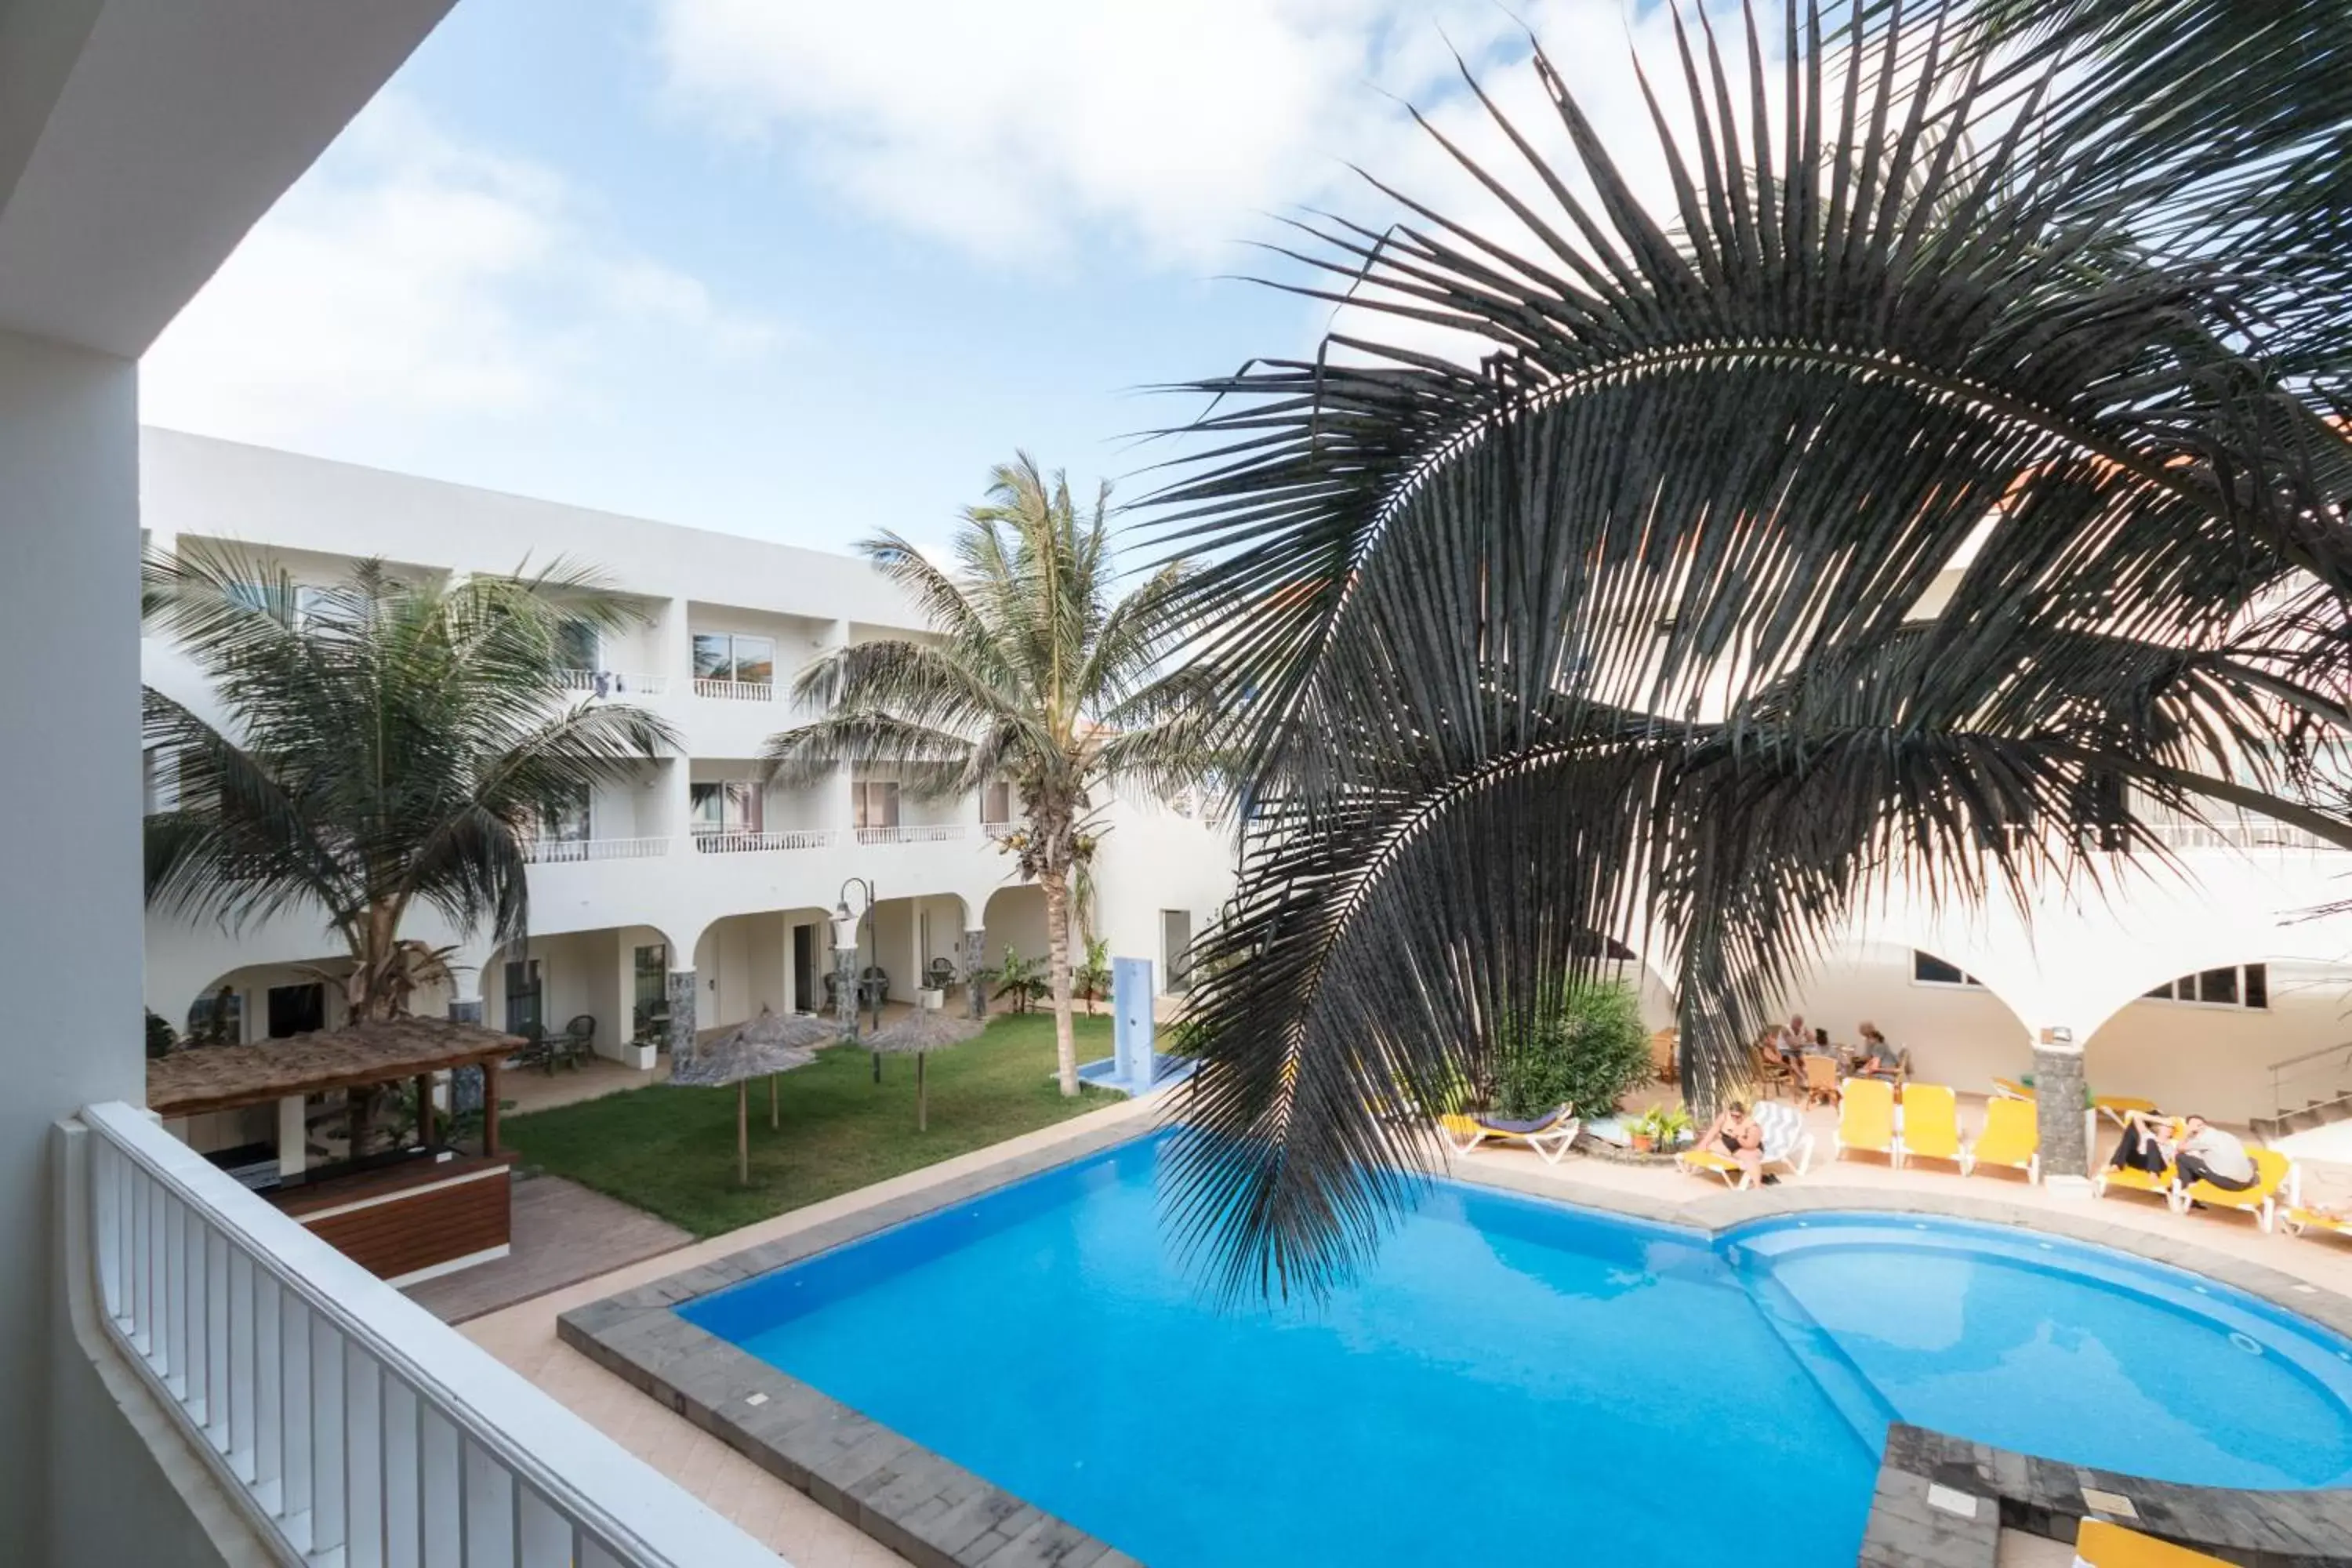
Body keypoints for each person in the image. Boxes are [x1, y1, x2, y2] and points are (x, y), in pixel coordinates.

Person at [1695, 1101, 1772, 1186]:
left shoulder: (1751, 1125)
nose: (1735, 1118)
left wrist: (1739, 1138)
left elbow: (1751, 1145)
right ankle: (1689, 1168)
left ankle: (1758, 1186)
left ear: (1743, 1114)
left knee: (1750, 1159)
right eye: (1733, 1115)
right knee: (1705, 1146)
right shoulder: (1725, 1117)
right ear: (1729, 1113)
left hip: (1747, 1146)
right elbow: (1715, 1128)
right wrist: (1705, 1142)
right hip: (1729, 1144)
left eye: (1738, 1116)